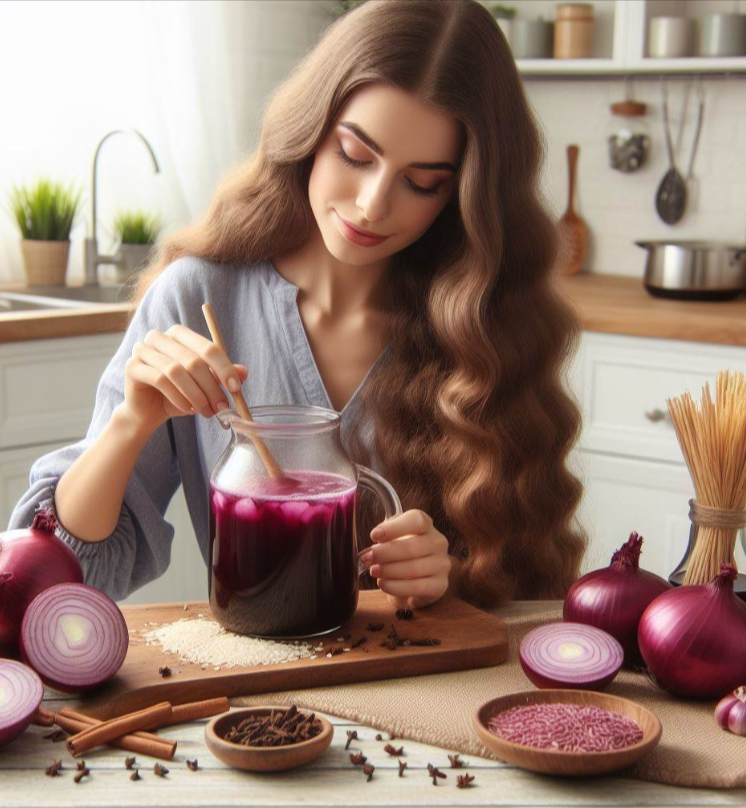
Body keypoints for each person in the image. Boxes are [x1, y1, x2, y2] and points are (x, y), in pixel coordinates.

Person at [8, 0, 585, 610]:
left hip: (419, 695)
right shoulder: (199, 296)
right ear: (311, 131)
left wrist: (446, 577)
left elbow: (525, 593)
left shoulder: (480, 326)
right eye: (355, 155)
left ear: (462, 194)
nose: (371, 204)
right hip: (256, 684)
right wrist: (131, 423)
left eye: (421, 183)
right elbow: (70, 581)